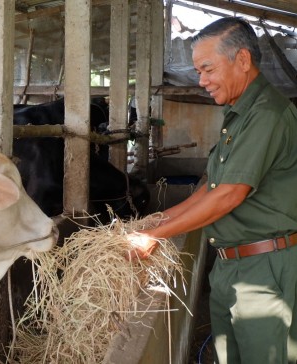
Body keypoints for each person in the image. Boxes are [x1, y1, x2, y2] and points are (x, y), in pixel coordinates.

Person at [125, 17, 297, 363]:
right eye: (197, 72)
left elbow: (229, 194)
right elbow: (209, 189)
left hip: (263, 271)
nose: (201, 81)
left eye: (207, 69)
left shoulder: (267, 115)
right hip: (230, 265)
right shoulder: (238, 113)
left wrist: (155, 237)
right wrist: (154, 222)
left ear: (243, 60)